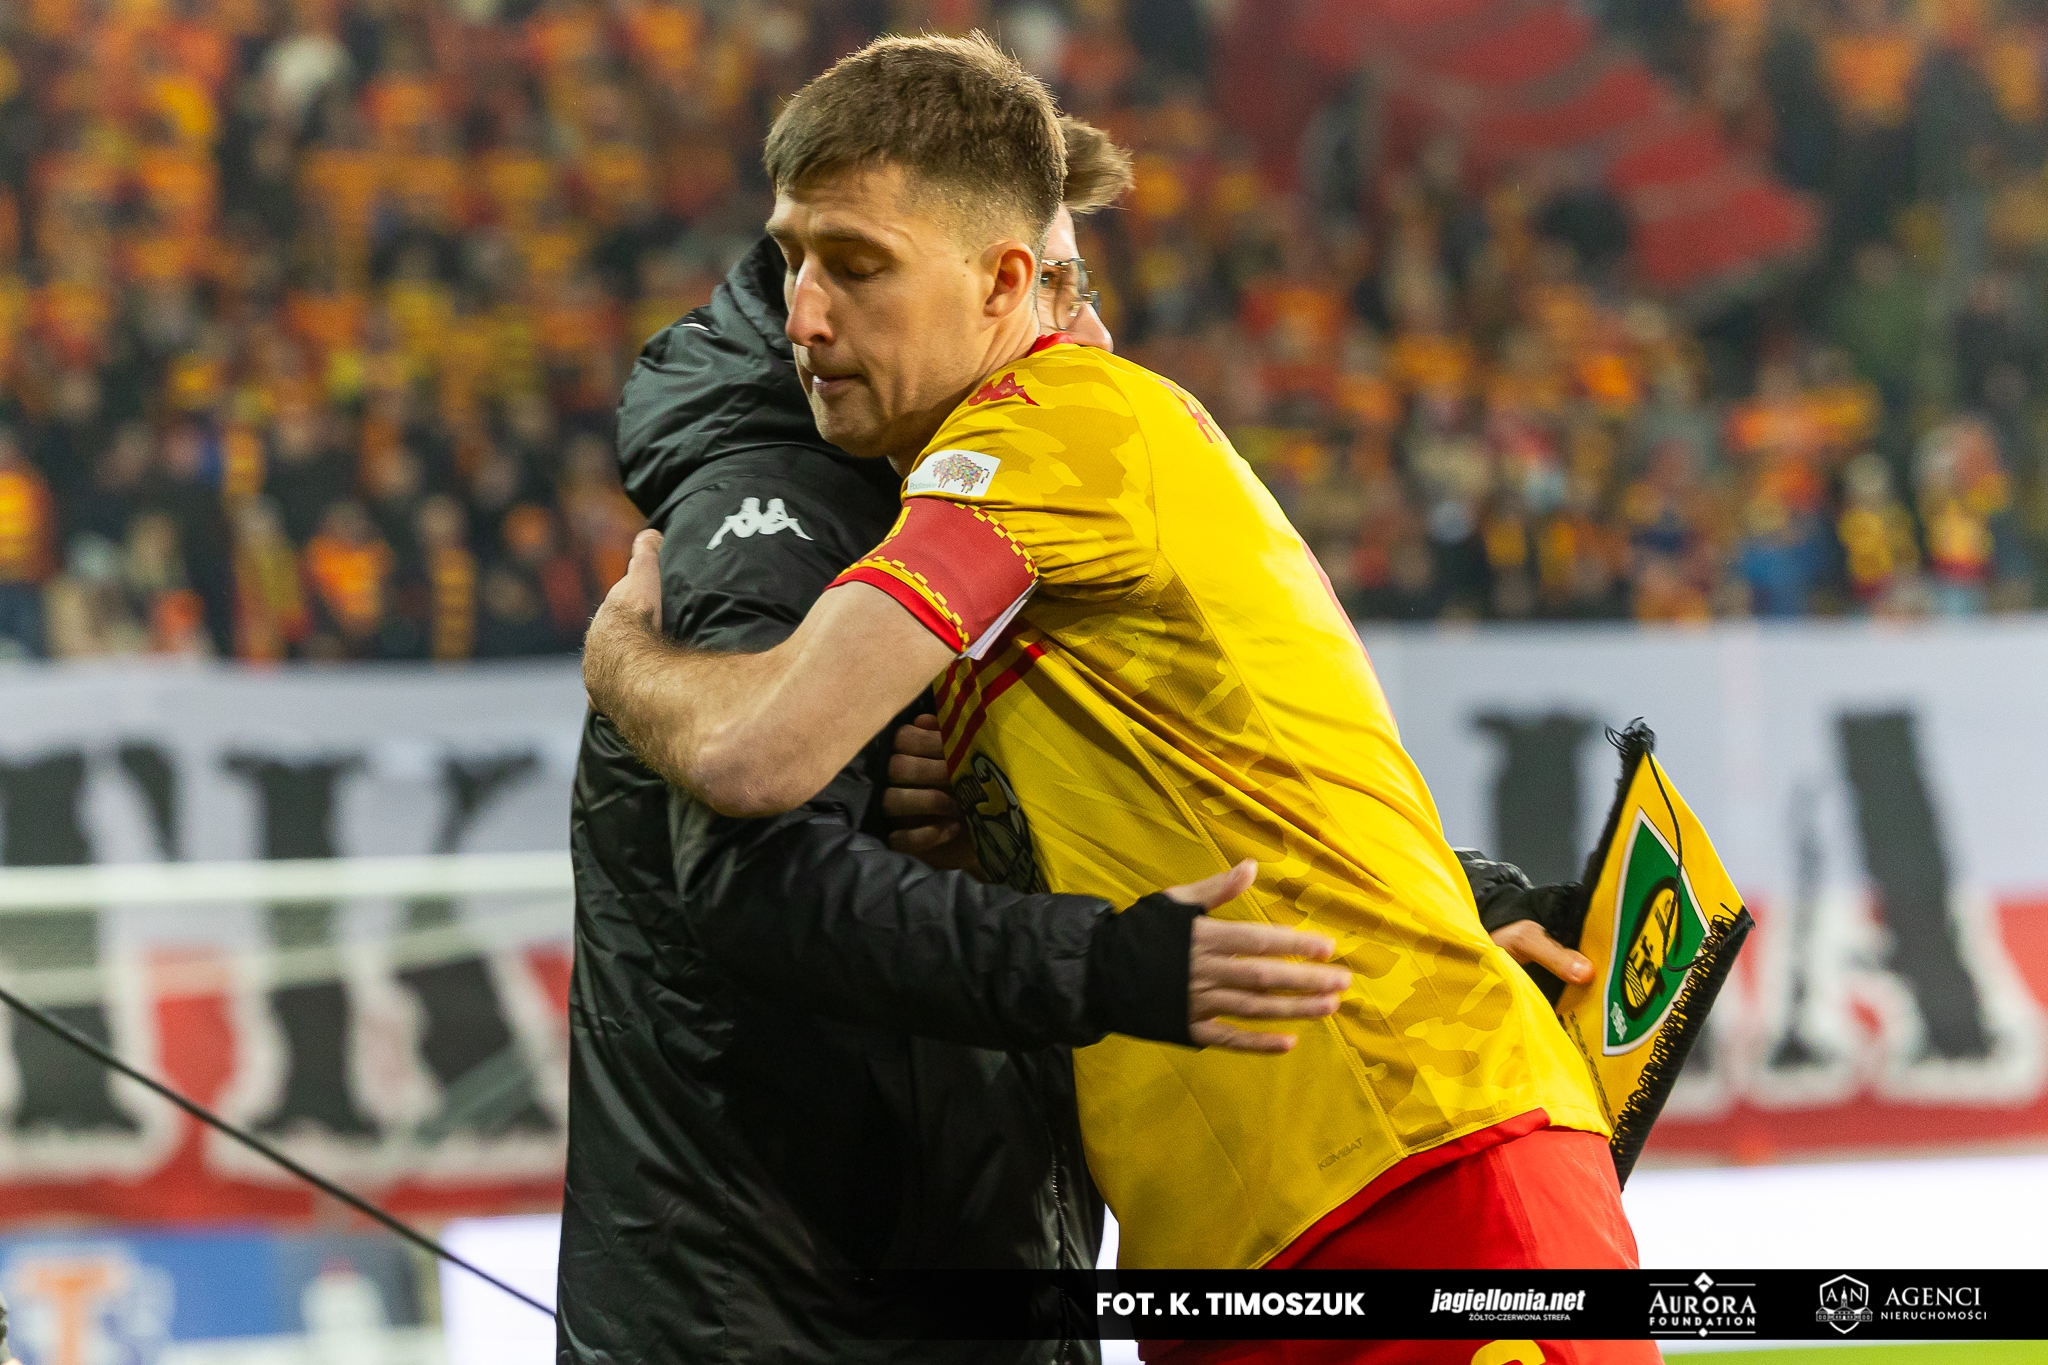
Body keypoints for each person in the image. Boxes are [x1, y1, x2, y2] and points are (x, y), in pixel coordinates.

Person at [582, 33, 1650, 1365]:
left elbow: (755, 752)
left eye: (855, 266)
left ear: (1003, 283)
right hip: (1241, 1232)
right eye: (792, 260)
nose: (803, 314)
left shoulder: (1048, 429)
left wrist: (620, 658)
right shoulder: (1005, 526)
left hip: (1412, 1175)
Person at [557, 120, 1353, 1365]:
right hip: (781, 1326)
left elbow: (1172, 802)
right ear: (980, 282)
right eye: (1051, 289)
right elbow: (759, 877)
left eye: (1077, 286)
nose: (1084, 338)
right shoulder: (775, 511)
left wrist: (1476, 912)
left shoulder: (988, 488)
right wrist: (1104, 965)